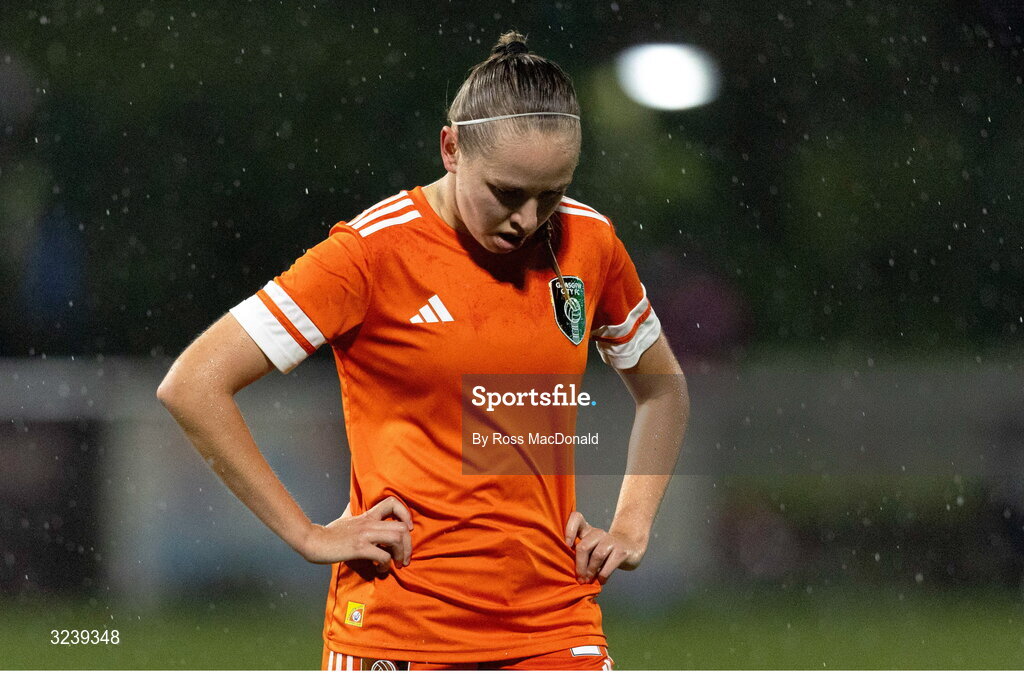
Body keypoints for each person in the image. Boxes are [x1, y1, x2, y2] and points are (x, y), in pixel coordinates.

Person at [158, 31, 689, 671]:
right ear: (450, 149)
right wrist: (306, 533)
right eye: (507, 193)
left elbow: (663, 389)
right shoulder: (369, 253)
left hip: (555, 623)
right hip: (399, 627)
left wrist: (632, 526)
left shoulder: (588, 242)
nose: (528, 219)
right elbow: (193, 384)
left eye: (550, 194)